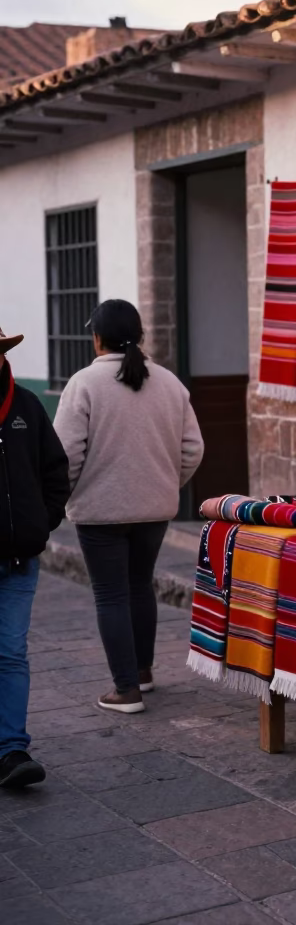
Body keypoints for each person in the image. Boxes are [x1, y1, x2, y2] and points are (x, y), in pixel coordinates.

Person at [54, 300, 204, 714]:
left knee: (110, 594)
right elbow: (192, 448)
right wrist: (166, 484)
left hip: (100, 512)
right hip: (154, 509)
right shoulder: (170, 383)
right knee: (141, 586)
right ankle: (141, 673)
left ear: (97, 338)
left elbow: (65, 455)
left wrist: (68, 496)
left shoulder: (83, 383)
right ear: (139, 337)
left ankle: (125, 690)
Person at [0, 326, 70, 788]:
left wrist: (40, 523)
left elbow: (55, 469)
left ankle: (12, 751)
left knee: (11, 652)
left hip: (19, 559)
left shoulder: (26, 406)